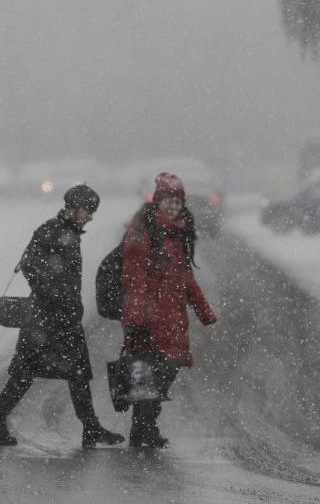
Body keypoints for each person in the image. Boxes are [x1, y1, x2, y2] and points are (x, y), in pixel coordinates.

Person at [0, 184, 124, 449]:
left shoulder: (68, 232)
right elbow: (29, 265)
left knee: (77, 373)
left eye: (92, 212)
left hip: (63, 317)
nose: (90, 216)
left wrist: (65, 300)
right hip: (45, 318)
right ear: (73, 208)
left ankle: (90, 427)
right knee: (26, 373)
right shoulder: (51, 230)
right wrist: (55, 293)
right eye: (87, 210)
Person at [120, 172, 217, 448]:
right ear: (157, 202)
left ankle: (144, 429)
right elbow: (133, 278)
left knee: (162, 377)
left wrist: (203, 310)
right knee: (150, 379)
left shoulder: (177, 233)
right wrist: (136, 317)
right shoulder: (142, 232)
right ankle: (142, 431)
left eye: (178, 201)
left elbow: (186, 278)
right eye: (169, 201)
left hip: (171, 319)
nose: (174, 206)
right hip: (148, 320)